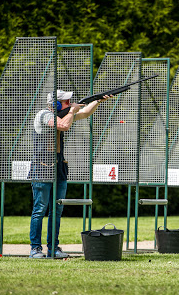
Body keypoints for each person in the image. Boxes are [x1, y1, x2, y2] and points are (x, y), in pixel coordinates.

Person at [28, 89, 112, 258]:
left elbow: (86, 113)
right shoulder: (43, 115)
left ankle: (53, 248)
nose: (70, 103)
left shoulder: (64, 114)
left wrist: (99, 100)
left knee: (57, 210)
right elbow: (64, 125)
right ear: (56, 104)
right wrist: (72, 110)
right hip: (42, 168)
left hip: (59, 168)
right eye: (66, 101)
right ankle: (35, 248)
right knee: (40, 209)